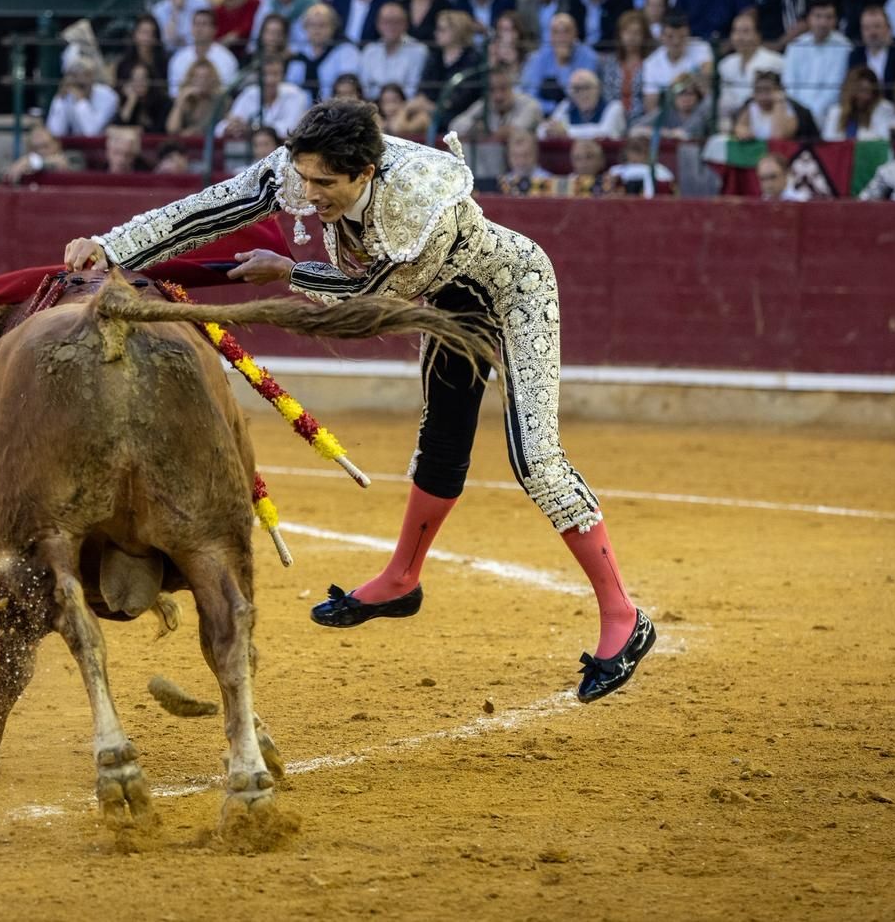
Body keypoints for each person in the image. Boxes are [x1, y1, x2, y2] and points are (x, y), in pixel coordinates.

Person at [63, 100, 657, 702]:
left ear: (365, 173)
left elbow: (373, 297)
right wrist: (113, 248)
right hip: (448, 307)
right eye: (306, 177)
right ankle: (401, 579)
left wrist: (288, 272)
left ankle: (623, 616)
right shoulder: (301, 169)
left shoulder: (420, 202)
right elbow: (210, 208)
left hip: (512, 293)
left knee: (536, 460)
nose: (310, 192)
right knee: (441, 446)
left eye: (326, 184)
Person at [411, 10, 485, 129]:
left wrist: (434, 106)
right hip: (428, 109)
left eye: (442, 30)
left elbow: (463, 97)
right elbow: (424, 86)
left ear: (457, 31)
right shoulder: (435, 57)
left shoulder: (473, 59)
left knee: (419, 121)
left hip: (457, 114)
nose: (436, 33)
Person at [784, 0, 852, 120]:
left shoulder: (845, 47)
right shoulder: (795, 46)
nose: (823, 23)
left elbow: (835, 89)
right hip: (796, 113)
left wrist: (813, 114)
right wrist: (799, 113)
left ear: (835, 20)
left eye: (828, 17)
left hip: (829, 113)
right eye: (818, 16)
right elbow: (789, 85)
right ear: (809, 19)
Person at [717, 10, 786, 127]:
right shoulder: (726, 64)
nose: (739, 37)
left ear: (758, 36)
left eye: (746, 32)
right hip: (731, 121)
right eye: (736, 31)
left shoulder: (774, 61)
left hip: (763, 121)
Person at [218, 55, 313, 138]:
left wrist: (250, 128)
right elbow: (221, 128)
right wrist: (230, 127)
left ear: (282, 75)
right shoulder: (249, 93)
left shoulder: (296, 95)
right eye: (265, 74)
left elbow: (289, 129)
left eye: (275, 74)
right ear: (257, 76)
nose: (270, 80)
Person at [641, 11, 714, 117]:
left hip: (698, 111)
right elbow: (651, 103)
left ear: (688, 34)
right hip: (667, 113)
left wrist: (679, 81)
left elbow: (707, 82)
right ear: (661, 36)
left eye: (681, 36)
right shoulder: (651, 62)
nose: (676, 42)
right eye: (670, 37)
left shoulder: (702, 48)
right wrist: (688, 79)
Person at [521, 13, 601, 107]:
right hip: (542, 114)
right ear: (550, 36)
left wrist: (563, 64)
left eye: (566, 31)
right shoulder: (540, 57)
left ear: (575, 33)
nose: (561, 37)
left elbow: (583, 98)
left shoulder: (589, 57)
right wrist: (549, 108)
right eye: (556, 32)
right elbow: (530, 93)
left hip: (575, 115)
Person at [288, 5, 361, 102]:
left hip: (334, 108)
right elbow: (291, 84)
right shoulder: (297, 52)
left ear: (333, 27)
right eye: (312, 25)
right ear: (305, 28)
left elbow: (348, 86)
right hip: (300, 111)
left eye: (322, 25)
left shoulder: (346, 50)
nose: (317, 30)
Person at [452, 64, 545, 140]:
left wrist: (486, 133)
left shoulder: (529, 105)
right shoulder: (485, 104)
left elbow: (515, 131)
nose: (498, 96)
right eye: (492, 90)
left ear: (512, 87)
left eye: (503, 89)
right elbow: (455, 126)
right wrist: (474, 127)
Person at [358, 2, 430, 99]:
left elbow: (413, 90)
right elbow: (364, 87)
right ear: (378, 24)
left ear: (405, 24)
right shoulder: (370, 50)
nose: (391, 26)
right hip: (373, 105)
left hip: (404, 108)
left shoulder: (418, 50)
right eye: (386, 21)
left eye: (396, 21)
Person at [539, 67, 627, 139]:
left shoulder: (614, 106)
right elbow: (543, 130)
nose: (583, 93)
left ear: (598, 88)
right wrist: (550, 130)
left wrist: (566, 132)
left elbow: (605, 133)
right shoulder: (566, 106)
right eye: (577, 89)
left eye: (587, 87)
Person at [250, 0, 320, 54]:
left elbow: (310, 41)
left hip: (302, 56)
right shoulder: (269, 5)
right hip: (272, 55)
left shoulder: (312, 6)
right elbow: (256, 36)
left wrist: (290, 51)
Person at [851, 5, 895, 95]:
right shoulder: (856, 55)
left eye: (877, 27)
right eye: (867, 28)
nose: (872, 33)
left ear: (888, 28)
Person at [167, 10, 239, 96]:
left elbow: (227, 92)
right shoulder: (179, 58)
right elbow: (174, 93)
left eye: (204, 24)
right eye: (196, 24)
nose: (199, 29)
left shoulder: (227, 58)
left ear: (214, 29)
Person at [45, 61, 120, 139]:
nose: (80, 80)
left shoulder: (107, 95)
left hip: (104, 145)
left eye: (85, 75)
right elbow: (55, 132)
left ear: (92, 77)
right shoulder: (68, 94)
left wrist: (80, 101)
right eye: (74, 76)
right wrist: (60, 100)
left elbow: (92, 133)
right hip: (74, 146)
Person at [603, 10, 655, 119]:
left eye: (636, 33)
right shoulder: (610, 62)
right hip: (614, 118)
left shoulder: (651, 63)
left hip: (642, 119)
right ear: (620, 34)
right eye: (627, 32)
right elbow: (607, 95)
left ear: (644, 36)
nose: (631, 37)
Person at [822, 67, 895, 139]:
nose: (865, 97)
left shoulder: (884, 109)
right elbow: (829, 143)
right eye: (861, 90)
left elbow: (883, 142)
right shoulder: (835, 112)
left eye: (868, 91)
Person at [634, 72, 713, 140]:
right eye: (681, 93)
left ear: (697, 97)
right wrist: (667, 133)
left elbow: (683, 134)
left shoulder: (701, 113)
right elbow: (635, 130)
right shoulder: (665, 112)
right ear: (673, 96)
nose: (685, 98)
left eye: (690, 94)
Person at [733, 69, 803, 139]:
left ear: (778, 90)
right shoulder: (751, 107)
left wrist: (778, 103)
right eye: (758, 90)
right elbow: (739, 127)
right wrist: (743, 131)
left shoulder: (790, 109)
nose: (762, 96)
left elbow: (778, 136)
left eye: (767, 90)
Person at [166, 59, 224, 138]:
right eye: (197, 77)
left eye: (206, 77)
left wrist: (194, 131)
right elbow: (172, 130)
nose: (202, 81)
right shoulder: (185, 100)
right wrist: (180, 101)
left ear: (213, 79)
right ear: (190, 79)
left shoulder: (221, 101)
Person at [605, 133, 676, 195]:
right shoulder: (616, 170)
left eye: (639, 151)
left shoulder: (660, 171)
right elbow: (606, 190)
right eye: (632, 150)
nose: (635, 155)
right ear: (625, 152)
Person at [112, 61, 170, 134]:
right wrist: (131, 100)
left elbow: (162, 130)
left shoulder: (163, 102)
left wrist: (142, 130)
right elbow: (117, 127)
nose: (139, 83)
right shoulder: (125, 100)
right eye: (135, 79)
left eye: (143, 78)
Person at [114, 15, 169, 90]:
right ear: (134, 34)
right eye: (143, 32)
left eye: (151, 33)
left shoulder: (165, 63)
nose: (147, 38)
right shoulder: (124, 65)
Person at [494, 127, 553, 193]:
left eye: (526, 155)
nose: (521, 162)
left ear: (535, 154)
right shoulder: (503, 184)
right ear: (508, 157)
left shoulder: (550, 181)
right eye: (516, 156)